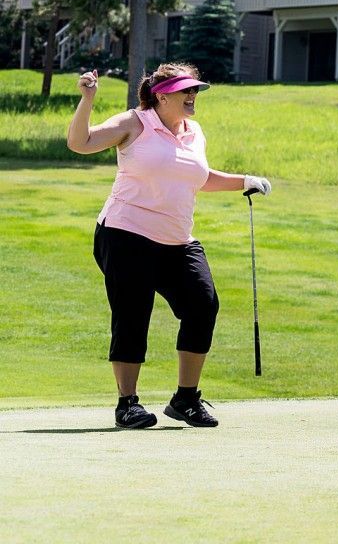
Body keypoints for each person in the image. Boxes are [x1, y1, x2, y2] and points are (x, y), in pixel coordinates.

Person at [67, 64, 271, 429]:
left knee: (202, 305)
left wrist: (245, 180)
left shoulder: (194, 132)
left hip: (177, 240)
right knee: (132, 313)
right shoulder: (135, 122)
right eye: (185, 91)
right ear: (162, 95)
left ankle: (186, 399)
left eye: (195, 90)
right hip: (126, 234)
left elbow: (199, 177)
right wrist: (88, 99)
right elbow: (80, 143)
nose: (192, 97)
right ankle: (127, 404)